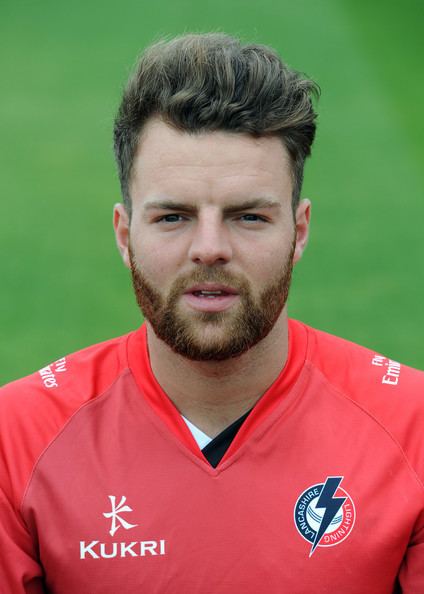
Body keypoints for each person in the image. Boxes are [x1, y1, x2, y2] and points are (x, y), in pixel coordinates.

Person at [1, 33, 423, 594]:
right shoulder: (17, 437)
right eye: (172, 217)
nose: (209, 248)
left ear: (299, 232)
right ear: (125, 236)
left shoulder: (411, 428)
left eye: (248, 217)